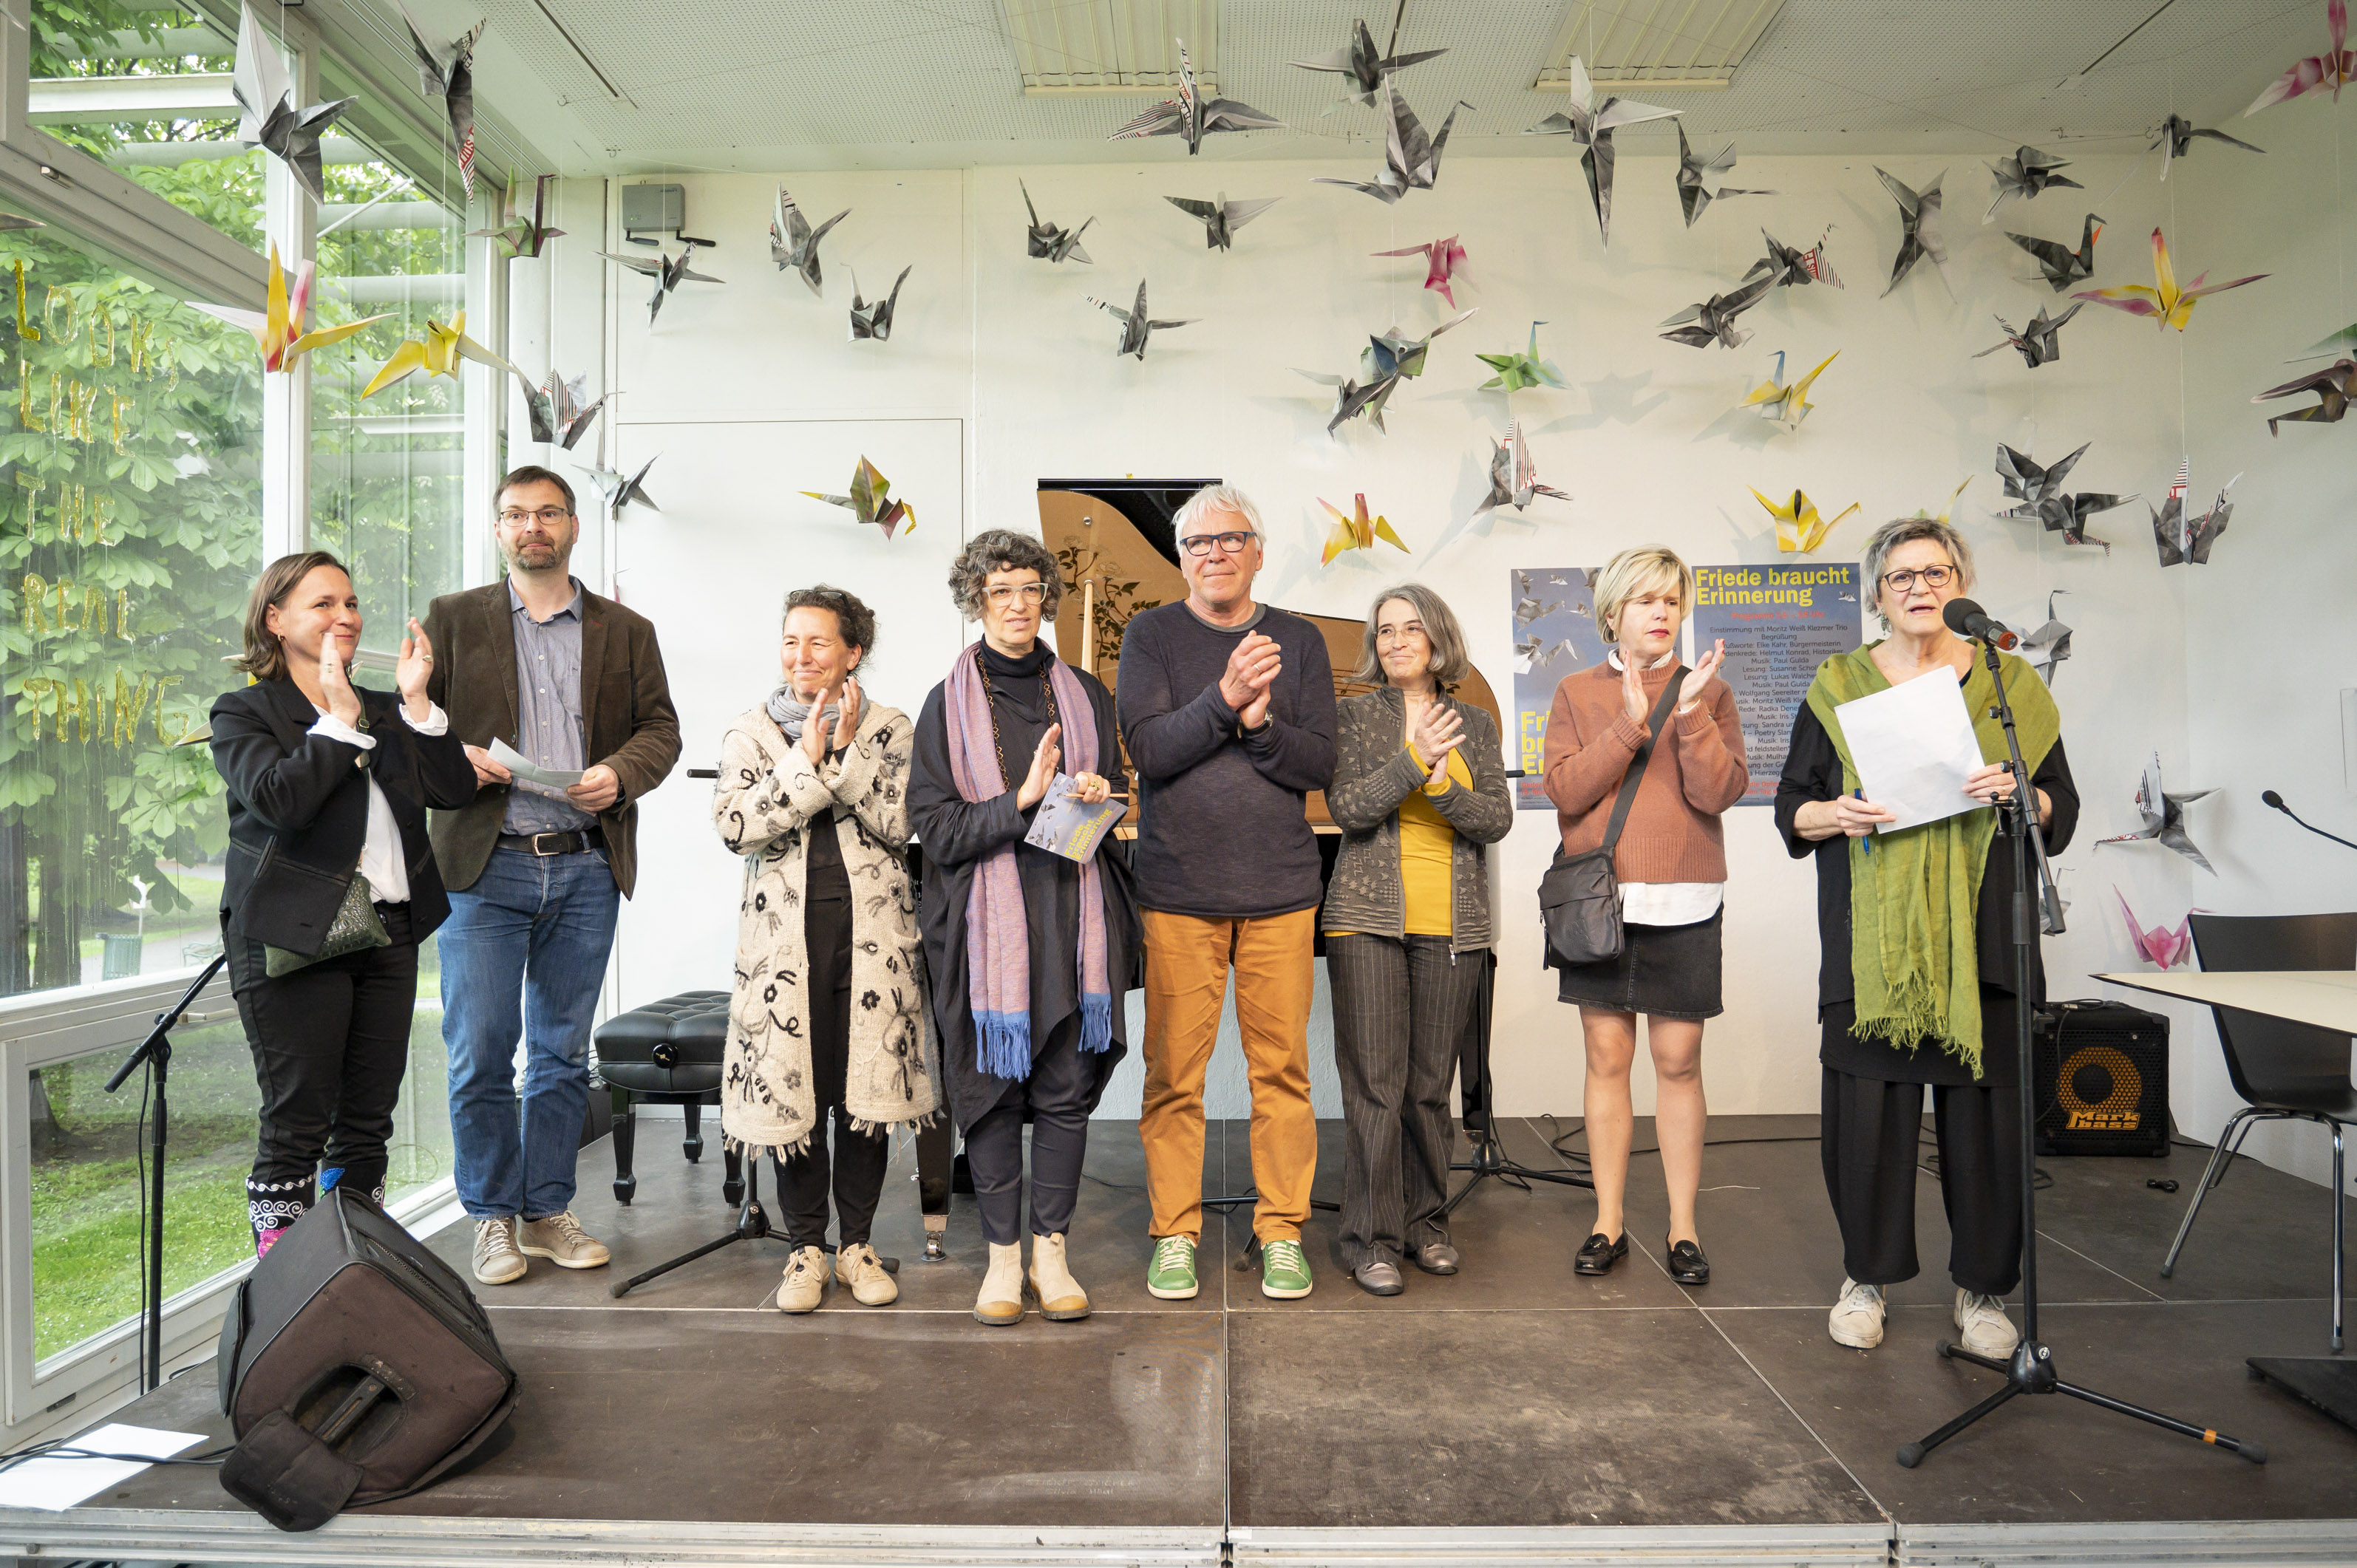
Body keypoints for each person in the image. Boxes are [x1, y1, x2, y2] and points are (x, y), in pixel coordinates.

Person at [1774, 517, 2078, 1356]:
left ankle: (1981, 1292)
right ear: (1877, 592)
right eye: (1902, 575)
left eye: (1937, 572)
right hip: (1875, 951)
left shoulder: (2011, 686)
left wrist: (2023, 791)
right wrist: (1833, 812)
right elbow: (1789, 808)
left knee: (1987, 1125)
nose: (1920, 587)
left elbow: (2062, 807)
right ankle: (1864, 1280)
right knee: (1868, 1122)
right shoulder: (1838, 684)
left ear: (1960, 582)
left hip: (1985, 937)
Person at [423, 466, 681, 1286]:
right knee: (479, 1054)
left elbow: (660, 729)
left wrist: (622, 773)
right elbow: (412, 733)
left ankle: (546, 1211)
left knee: (563, 1056)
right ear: (497, 528)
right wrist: (449, 756)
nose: (532, 527)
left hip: (583, 866)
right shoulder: (453, 620)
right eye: (515, 515)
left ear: (573, 526)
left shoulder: (626, 629)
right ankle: (492, 1217)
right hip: (483, 869)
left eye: (547, 514)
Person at [211, 551, 477, 1255]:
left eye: (352, 603)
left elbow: (452, 790)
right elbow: (280, 801)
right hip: (296, 936)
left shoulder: (387, 710)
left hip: (389, 932)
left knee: (365, 1121)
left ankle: (360, 1273)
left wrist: (417, 703)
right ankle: (289, 1288)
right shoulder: (245, 711)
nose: (346, 617)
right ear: (276, 620)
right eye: (323, 604)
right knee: (297, 1119)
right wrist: (336, 722)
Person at [911, 531, 1140, 1326]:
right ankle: (1003, 1260)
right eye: (1000, 590)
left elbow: (1106, 814)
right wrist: (1022, 798)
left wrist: (1091, 791)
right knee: (996, 1098)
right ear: (975, 600)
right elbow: (935, 831)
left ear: (1047, 598)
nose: (1017, 604)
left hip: (1075, 918)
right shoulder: (947, 704)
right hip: (985, 932)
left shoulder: (1085, 693)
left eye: (1030, 589)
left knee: (1066, 1094)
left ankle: (1053, 1251)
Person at [1118, 483, 1338, 1302]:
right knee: (1174, 1070)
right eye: (1198, 543)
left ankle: (1281, 1229)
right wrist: (1226, 700)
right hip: (1178, 891)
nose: (1214, 553)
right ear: (1182, 558)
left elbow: (1319, 765)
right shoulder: (1152, 636)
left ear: (1257, 549)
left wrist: (1260, 729)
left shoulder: (1302, 642)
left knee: (1282, 1071)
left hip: (1281, 890)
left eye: (1230, 539)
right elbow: (1150, 749)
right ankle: (1175, 1232)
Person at [714, 584, 937, 1314]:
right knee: (794, 1090)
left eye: (816, 641)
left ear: (852, 651)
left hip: (873, 945)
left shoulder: (892, 727)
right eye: (789, 640)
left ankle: (858, 1245)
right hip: (782, 950)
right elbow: (737, 826)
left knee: (864, 1093)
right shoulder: (751, 732)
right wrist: (800, 762)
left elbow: (903, 820)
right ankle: (805, 1247)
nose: (800, 655)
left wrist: (839, 755)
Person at [1541, 546, 1744, 1285]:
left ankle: (1684, 1228)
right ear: (1615, 613)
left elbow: (1716, 794)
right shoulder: (1575, 690)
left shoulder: (1707, 690)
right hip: (1602, 905)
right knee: (1607, 1060)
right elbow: (1564, 791)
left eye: (1671, 599)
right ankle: (1608, 1219)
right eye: (1646, 600)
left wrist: (1688, 715)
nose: (1661, 612)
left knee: (1679, 1062)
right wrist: (1627, 725)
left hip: (1687, 901)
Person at [1322, 584, 1513, 1295]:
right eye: (1384, 631)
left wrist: (1439, 788)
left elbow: (1494, 820)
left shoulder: (1475, 723)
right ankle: (1368, 1238)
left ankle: (1426, 1224)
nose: (1396, 641)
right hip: (1365, 919)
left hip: (1453, 925)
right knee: (1376, 1087)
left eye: (1410, 628)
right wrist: (1410, 761)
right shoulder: (1354, 716)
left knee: (1429, 1088)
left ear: (1437, 638)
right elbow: (1347, 809)